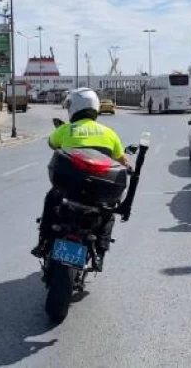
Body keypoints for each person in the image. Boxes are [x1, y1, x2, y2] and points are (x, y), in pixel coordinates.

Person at [31, 88, 127, 261]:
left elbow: (52, 144)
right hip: (98, 191)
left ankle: (43, 242)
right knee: (108, 214)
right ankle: (100, 252)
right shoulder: (109, 133)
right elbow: (122, 162)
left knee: (51, 198)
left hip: (70, 186)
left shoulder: (67, 129)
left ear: (73, 107)